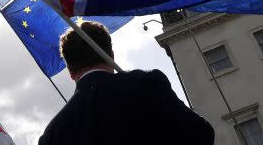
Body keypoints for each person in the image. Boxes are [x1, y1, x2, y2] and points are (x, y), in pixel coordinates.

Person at [38, 21, 214, 145]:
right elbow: (201, 134)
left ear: (70, 70)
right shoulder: (147, 84)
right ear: (111, 55)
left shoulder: (52, 135)